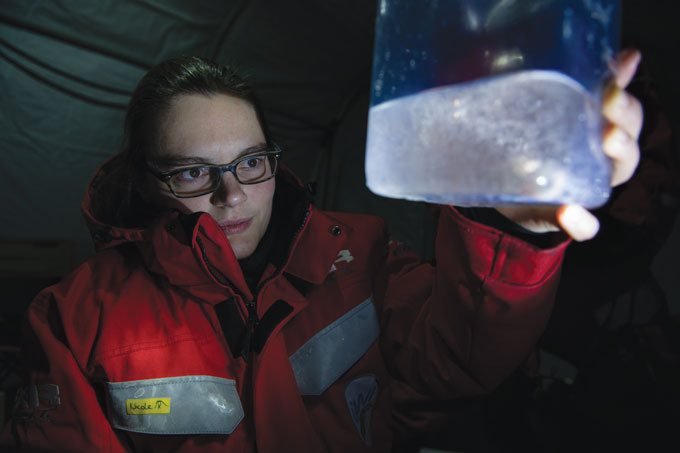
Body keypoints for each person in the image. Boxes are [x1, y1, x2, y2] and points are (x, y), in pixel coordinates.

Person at [1, 51, 643, 452]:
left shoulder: (358, 254)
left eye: (250, 162)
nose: (232, 195)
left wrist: (516, 227)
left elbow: (458, 359)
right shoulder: (71, 318)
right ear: (145, 180)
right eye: (193, 173)